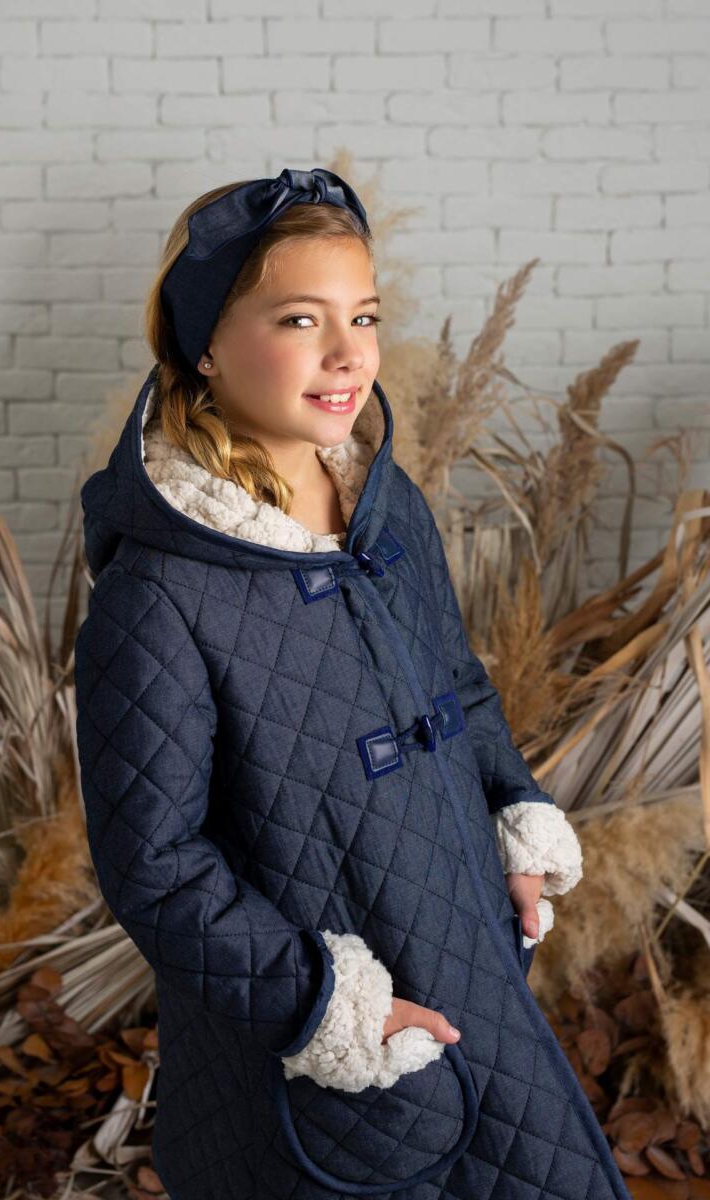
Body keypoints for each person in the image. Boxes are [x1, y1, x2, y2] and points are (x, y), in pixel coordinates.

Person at [73, 168, 632, 1200]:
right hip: (336, 1049)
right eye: (300, 319)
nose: (348, 355)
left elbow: (455, 686)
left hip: (469, 970)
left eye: (362, 317)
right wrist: (325, 1003)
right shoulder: (157, 595)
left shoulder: (383, 503)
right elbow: (154, 865)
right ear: (204, 346)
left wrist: (508, 816)